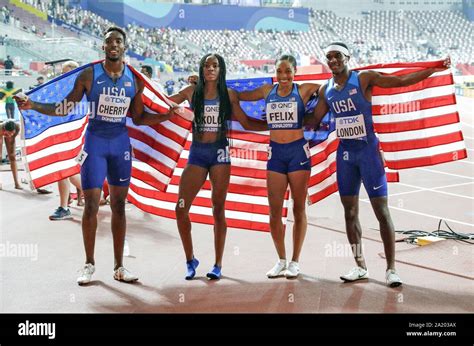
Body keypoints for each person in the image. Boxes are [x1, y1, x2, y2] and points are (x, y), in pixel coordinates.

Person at [16, 26, 176, 285]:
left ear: (124, 47)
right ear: (103, 47)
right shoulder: (90, 75)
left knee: (119, 207)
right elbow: (65, 107)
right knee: (90, 205)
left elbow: (138, 117)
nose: (113, 45)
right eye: (109, 41)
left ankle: (119, 267)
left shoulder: (134, 81)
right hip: (95, 144)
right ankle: (89, 264)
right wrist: (32, 104)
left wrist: (165, 116)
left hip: (120, 145)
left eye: (118, 41)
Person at [310, 42, 451, 287]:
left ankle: (391, 269)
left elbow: (400, 81)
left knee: (381, 212)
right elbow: (313, 120)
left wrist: (431, 70)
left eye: (337, 56)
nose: (332, 60)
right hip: (346, 156)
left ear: (347, 58)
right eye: (329, 57)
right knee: (349, 212)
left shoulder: (363, 79)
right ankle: (360, 266)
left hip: (368, 154)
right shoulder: (326, 90)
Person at [164, 53, 267, 280]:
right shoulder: (192, 92)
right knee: (181, 208)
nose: (210, 68)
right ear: (201, 69)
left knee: (218, 209)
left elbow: (247, 122)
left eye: (215, 65)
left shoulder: (228, 95)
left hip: (220, 154)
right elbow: (165, 101)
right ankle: (190, 260)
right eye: (207, 65)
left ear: (221, 70)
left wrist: (276, 125)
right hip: (197, 154)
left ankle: (218, 264)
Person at [236, 55, 321, 279]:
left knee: (298, 208)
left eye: (288, 72)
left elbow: (331, 89)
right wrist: (206, 86)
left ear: (295, 73)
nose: (283, 76)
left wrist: (314, 108)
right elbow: (238, 95)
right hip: (276, 154)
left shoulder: (303, 90)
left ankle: (295, 261)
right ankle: (281, 259)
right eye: (280, 72)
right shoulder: (267, 91)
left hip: (298, 154)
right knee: (274, 211)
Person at [49, 60, 85, 221]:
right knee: (68, 172)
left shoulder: (81, 91)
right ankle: (93, 194)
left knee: (64, 169)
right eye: (62, 72)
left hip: (76, 138)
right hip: (67, 137)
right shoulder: (63, 90)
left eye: (65, 72)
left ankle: (64, 207)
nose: (62, 75)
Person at [0, 120, 22, 190]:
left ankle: (16, 183)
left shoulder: (17, 127)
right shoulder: (0, 128)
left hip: (9, 133)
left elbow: (12, 137)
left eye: (12, 133)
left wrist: (10, 135)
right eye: (9, 133)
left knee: (12, 157)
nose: (11, 134)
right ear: (4, 130)